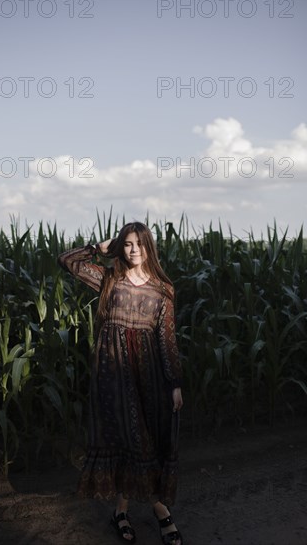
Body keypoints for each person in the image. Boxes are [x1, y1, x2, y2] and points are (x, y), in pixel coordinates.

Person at [58, 222, 183, 545]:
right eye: (127, 244)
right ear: (120, 247)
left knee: (145, 440)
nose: (133, 250)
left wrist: (175, 383)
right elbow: (67, 261)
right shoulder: (109, 280)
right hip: (112, 372)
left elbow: (166, 339)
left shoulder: (162, 290)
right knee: (131, 439)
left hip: (149, 373)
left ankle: (123, 511)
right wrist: (97, 248)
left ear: (149, 248)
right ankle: (160, 512)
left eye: (139, 244)